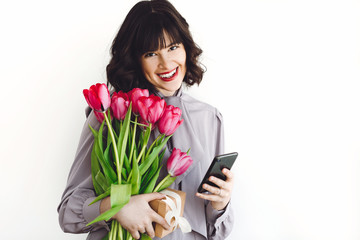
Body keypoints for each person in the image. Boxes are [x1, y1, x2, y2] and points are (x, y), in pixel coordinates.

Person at [58, 0, 235, 239]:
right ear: (135, 59)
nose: (166, 63)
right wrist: (118, 206)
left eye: (173, 47)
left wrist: (220, 204)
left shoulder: (210, 118)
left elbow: (216, 231)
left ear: (186, 47)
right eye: (151, 53)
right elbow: (68, 213)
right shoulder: (111, 117)